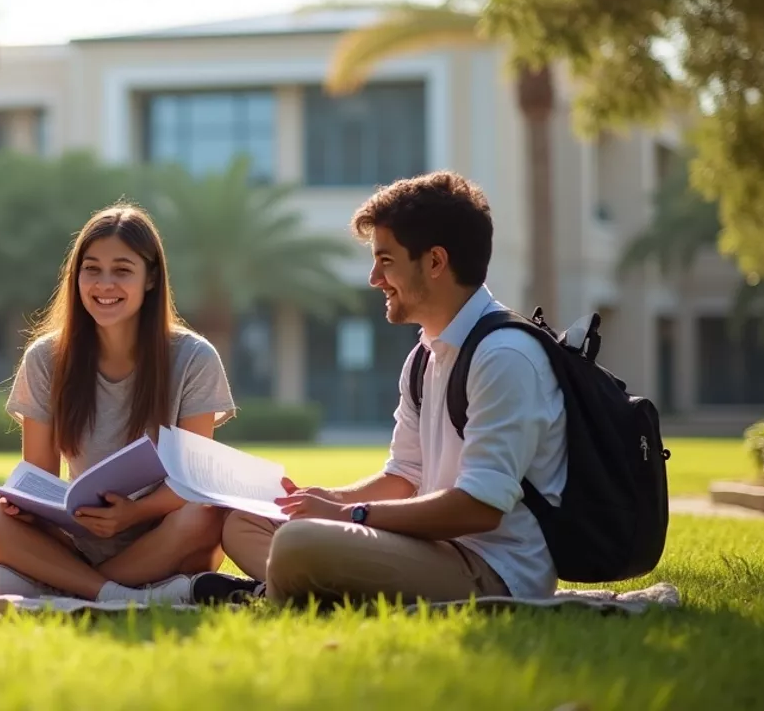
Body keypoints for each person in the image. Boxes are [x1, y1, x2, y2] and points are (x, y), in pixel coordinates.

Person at [218, 170, 567, 605]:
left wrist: (349, 515)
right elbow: (404, 476)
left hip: (491, 571)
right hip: (429, 550)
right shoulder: (425, 356)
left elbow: (480, 507)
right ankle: (298, 585)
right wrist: (324, 498)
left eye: (385, 261)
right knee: (244, 521)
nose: (373, 279)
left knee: (298, 543)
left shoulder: (504, 357)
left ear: (435, 262)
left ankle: (282, 590)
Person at [0, 203, 242, 605]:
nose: (104, 284)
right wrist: (26, 506)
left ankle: (62, 586)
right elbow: (39, 474)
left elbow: (195, 480)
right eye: (92, 269)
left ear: (150, 279)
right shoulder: (45, 358)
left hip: (163, 534)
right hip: (78, 533)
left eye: (122, 270)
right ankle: (123, 595)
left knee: (206, 513)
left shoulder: (195, 357)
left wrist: (132, 514)